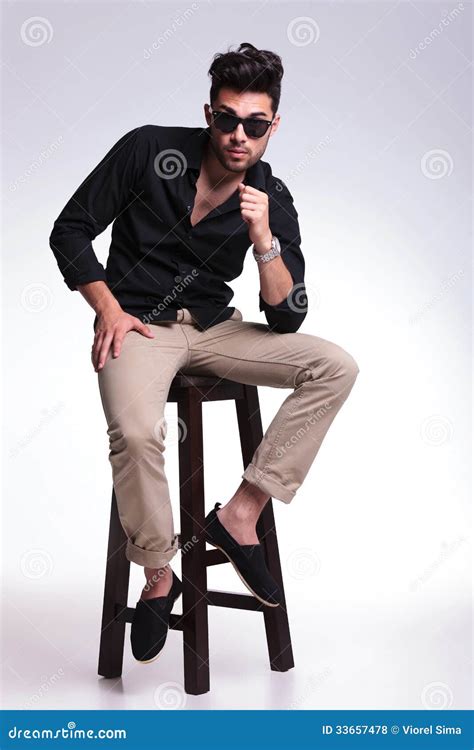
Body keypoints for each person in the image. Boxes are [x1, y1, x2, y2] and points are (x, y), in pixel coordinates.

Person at [49, 42, 359, 664]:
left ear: (273, 125)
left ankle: (240, 515)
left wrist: (263, 236)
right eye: (226, 119)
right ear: (208, 113)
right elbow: (70, 229)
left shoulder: (270, 195)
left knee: (335, 366)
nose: (237, 135)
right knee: (137, 434)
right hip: (140, 326)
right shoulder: (148, 150)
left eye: (254, 124)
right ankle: (159, 574)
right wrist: (109, 310)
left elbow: (286, 312)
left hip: (216, 329)